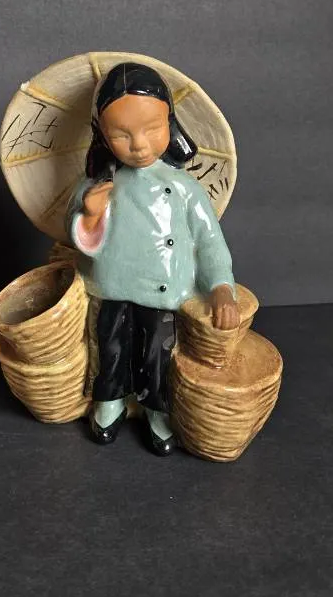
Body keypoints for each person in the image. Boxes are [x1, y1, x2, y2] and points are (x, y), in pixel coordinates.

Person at [67, 62, 239, 454]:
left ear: (171, 123)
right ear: (101, 134)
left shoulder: (183, 187)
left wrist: (220, 286)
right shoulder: (98, 184)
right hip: (112, 285)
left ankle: (156, 408)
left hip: (165, 288)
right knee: (110, 344)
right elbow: (74, 229)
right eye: (121, 134)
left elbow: (209, 241)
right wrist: (90, 213)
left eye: (151, 128)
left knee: (157, 351)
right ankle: (109, 398)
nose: (139, 144)